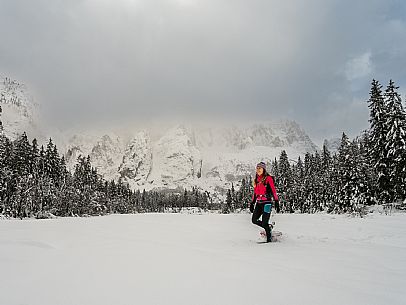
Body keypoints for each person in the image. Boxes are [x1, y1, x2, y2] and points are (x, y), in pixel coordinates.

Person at [250, 162, 280, 242]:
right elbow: (255, 192)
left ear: (264, 169)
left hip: (267, 203)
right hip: (259, 203)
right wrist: (252, 203)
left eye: (260, 168)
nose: (258, 170)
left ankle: (269, 240)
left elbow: (273, 190)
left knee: (264, 223)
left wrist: (276, 201)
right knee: (254, 220)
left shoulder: (268, 178)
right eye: (257, 168)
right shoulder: (256, 180)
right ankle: (269, 227)